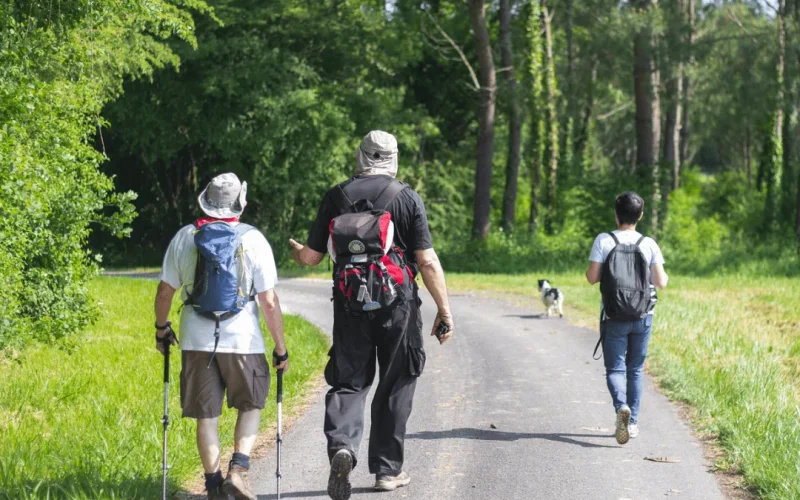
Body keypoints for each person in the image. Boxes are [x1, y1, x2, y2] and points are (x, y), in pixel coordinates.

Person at [289, 130, 454, 499]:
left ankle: (343, 448)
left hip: (350, 306)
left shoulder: (336, 196)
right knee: (397, 381)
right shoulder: (406, 197)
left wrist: (297, 252)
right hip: (399, 307)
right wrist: (444, 311)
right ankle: (386, 471)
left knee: (349, 381)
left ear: (360, 155)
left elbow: (313, 257)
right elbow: (426, 260)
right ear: (393, 158)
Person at [154, 173, 289, 500]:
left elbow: (164, 292)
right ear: (239, 205)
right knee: (251, 402)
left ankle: (214, 485)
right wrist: (280, 348)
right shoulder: (253, 239)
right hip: (243, 340)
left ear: (206, 201)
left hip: (195, 339)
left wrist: (161, 329)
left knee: (207, 414)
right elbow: (268, 301)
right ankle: (238, 471)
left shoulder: (185, 237)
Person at [585, 191, 668, 445]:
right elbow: (660, 282)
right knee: (635, 369)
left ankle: (621, 406)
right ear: (640, 215)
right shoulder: (648, 243)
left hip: (613, 315)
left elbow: (592, 277)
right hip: (643, 315)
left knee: (615, 368)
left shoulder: (604, 240)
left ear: (615, 213)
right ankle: (632, 424)